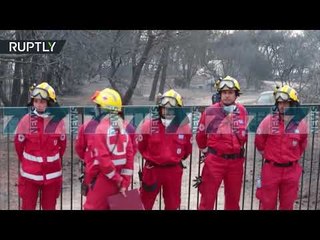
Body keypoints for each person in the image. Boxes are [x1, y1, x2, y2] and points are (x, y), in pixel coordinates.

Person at [75, 88, 135, 210]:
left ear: (103, 109)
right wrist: (124, 182)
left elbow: (82, 151)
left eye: (98, 106)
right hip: (121, 181)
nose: (95, 108)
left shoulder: (94, 128)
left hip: (100, 179)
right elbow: (131, 155)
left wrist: (116, 178)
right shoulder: (127, 127)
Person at [195, 76, 248, 210]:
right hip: (215, 161)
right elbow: (201, 136)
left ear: (236, 95)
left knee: (233, 201)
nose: (227, 96)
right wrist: (206, 151)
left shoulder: (242, 111)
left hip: (236, 162)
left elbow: (244, 134)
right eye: (224, 93)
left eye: (230, 93)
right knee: (207, 199)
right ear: (220, 94)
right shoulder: (210, 111)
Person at [14, 82, 67, 210]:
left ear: (50, 103)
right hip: (29, 176)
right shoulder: (26, 120)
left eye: (42, 101)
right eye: (36, 101)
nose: (38, 104)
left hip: (52, 176)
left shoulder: (57, 122)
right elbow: (19, 146)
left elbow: (62, 146)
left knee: (50, 207)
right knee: (27, 207)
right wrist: (29, 163)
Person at [255, 85, 308, 210]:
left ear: (294, 104)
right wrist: (268, 155)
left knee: (287, 205)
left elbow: (302, 145)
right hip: (271, 170)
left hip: (291, 171)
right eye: (279, 103)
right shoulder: (268, 121)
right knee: (267, 204)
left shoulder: (301, 125)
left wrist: (291, 159)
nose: (282, 106)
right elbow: (259, 142)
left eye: (286, 103)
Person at [137, 89, 192, 210]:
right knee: (144, 203)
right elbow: (141, 147)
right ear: (159, 108)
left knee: (173, 204)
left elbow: (187, 150)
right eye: (165, 108)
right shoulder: (148, 125)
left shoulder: (185, 128)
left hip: (173, 171)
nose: (168, 111)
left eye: (172, 109)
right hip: (152, 170)